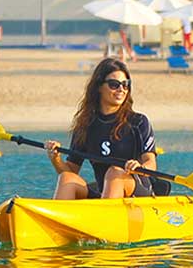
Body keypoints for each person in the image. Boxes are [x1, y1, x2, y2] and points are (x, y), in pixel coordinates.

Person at [44, 58, 159, 200]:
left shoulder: (138, 122)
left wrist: (140, 167)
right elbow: (72, 170)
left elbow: (151, 162)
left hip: (137, 188)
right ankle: (55, 221)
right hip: (103, 191)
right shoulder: (85, 125)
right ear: (99, 87)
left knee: (114, 172)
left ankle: (106, 218)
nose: (121, 89)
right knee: (67, 178)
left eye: (125, 85)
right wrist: (56, 158)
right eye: (114, 84)